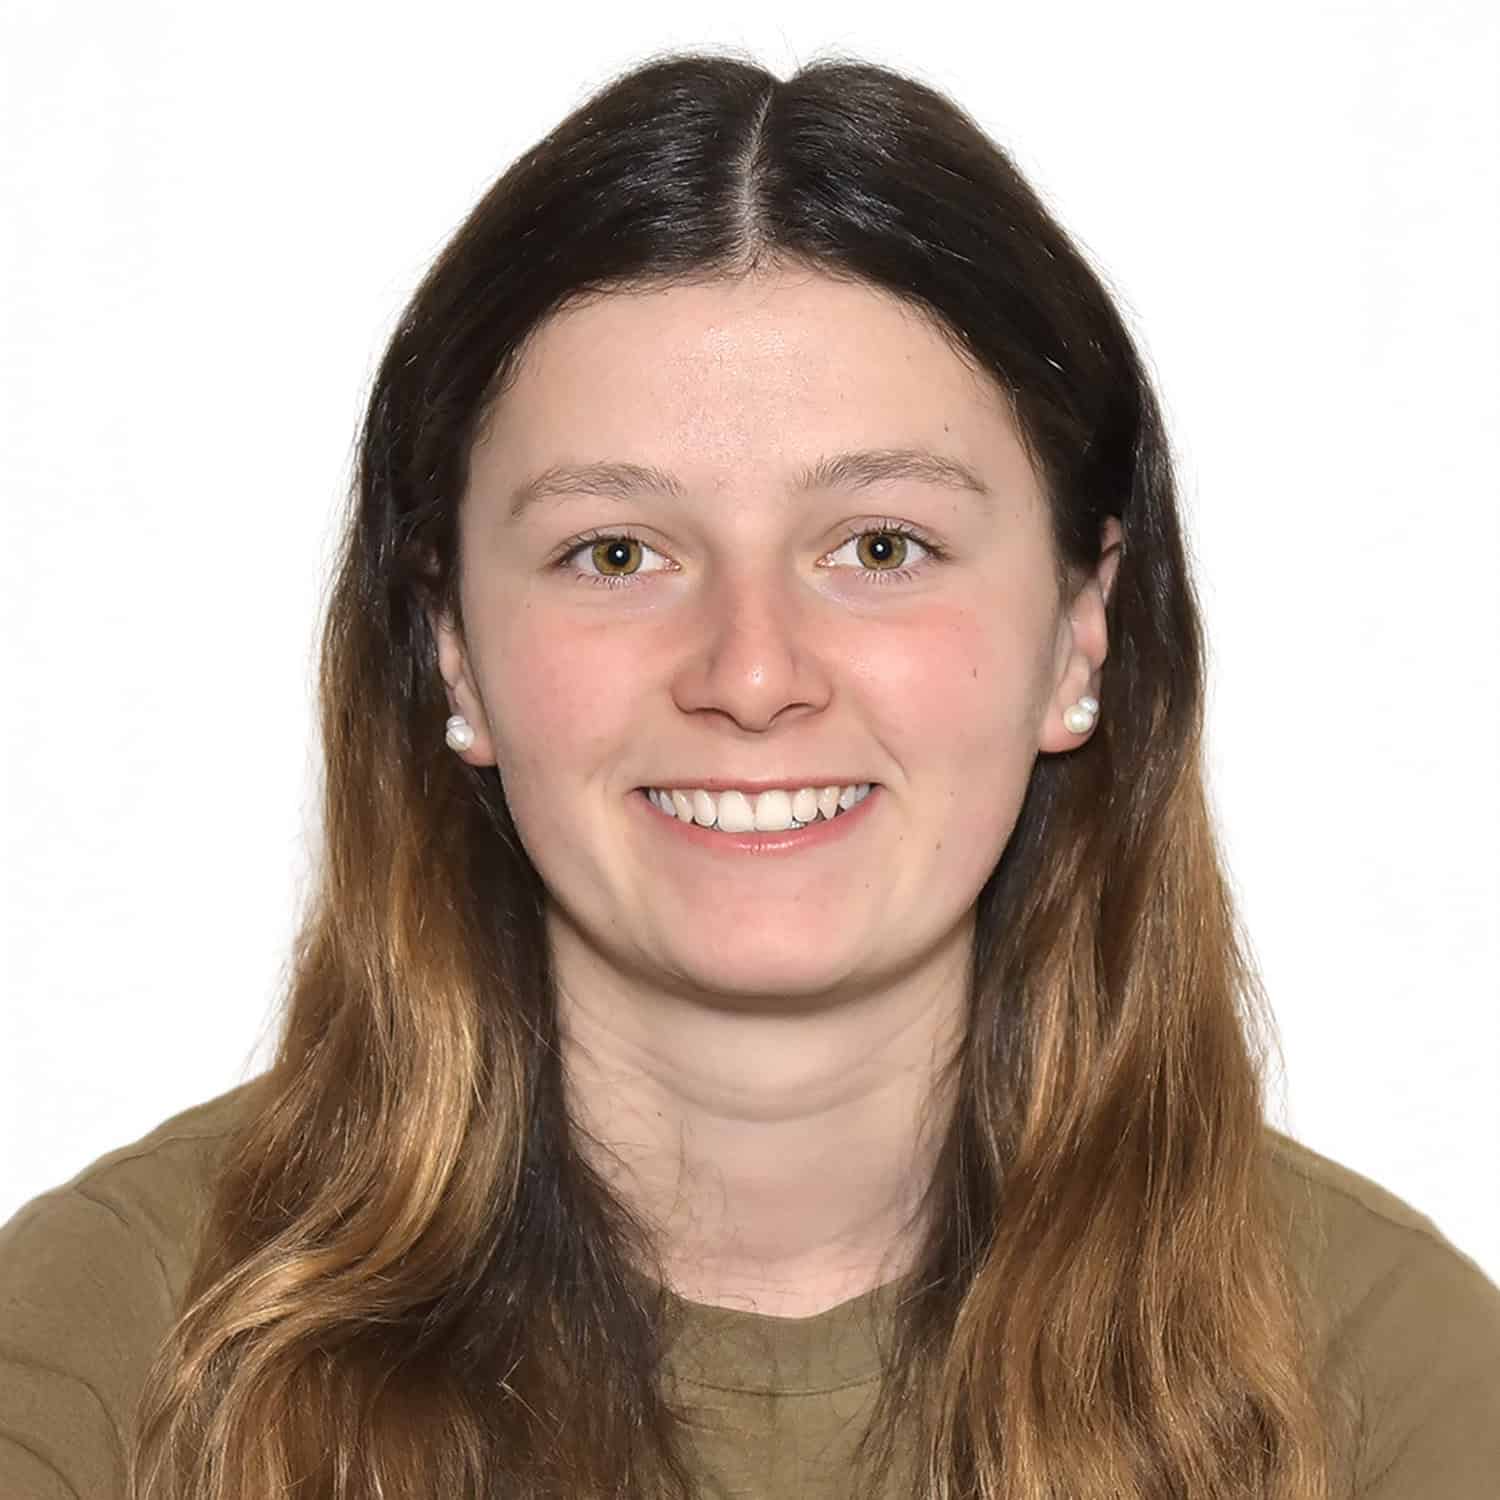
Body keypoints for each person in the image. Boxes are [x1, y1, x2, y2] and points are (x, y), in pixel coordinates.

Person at [2, 46, 1497, 1500]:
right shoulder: (106, 1354)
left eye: (881, 546)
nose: (754, 673)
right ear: (452, 648)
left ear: (1078, 630)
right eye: (616, 554)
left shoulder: (1395, 1383)